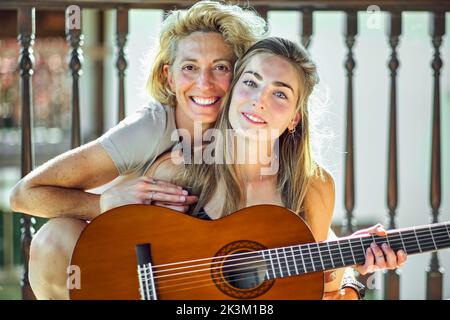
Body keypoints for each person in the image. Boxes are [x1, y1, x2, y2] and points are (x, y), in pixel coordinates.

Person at [8, 0, 267, 299]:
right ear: (169, 76)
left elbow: (297, 194)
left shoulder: (254, 122)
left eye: (220, 67)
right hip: (133, 271)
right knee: (54, 238)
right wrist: (104, 203)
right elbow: (24, 194)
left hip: (201, 280)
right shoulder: (152, 126)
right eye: (190, 67)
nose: (204, 83)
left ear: (240, 76)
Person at [141, 37, 408, 298]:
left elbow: (319, 291)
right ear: (232, 92)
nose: (259, 100)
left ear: (294, 118)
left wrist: (349, 260)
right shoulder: (177, 171)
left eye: (279, 93)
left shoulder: (313, 187)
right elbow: (123, 251)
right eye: (250, 82)